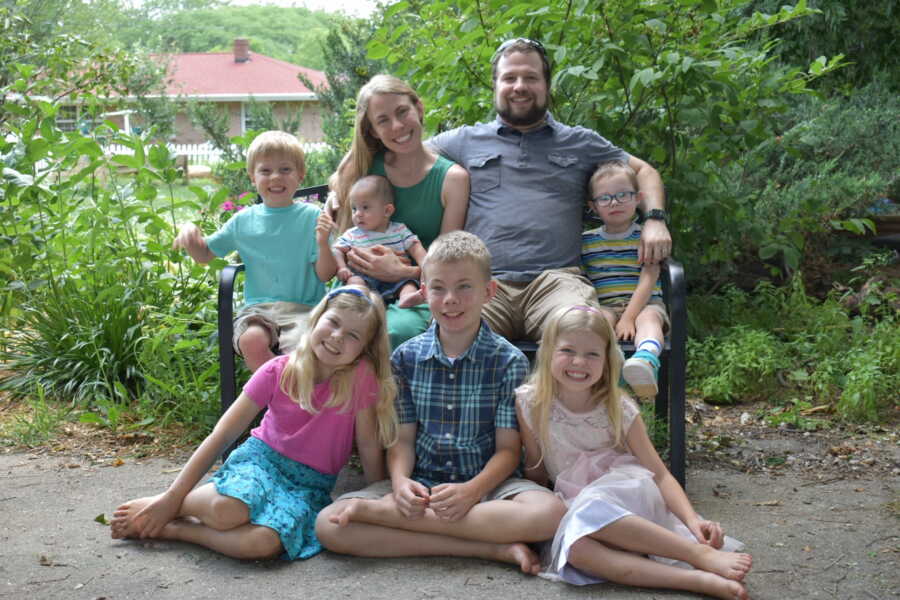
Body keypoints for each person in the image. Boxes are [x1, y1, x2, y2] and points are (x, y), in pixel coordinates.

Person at [315, 231, 566, 573]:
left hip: (486, 486)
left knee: (550, 513)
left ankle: (385, 517)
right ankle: (492, 549)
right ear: (423, 291)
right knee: (329, 524)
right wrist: (401, 482)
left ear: (488, 292)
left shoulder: (509, 361)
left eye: (464, 287)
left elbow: (508, 451)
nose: (450, 299)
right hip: (421, 482)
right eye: (438, 287)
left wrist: (471, 491)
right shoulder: (406, 358)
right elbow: (402, 440)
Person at [109, 286, 398, 561]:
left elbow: (369, 443)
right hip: (260, 463)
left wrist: (374, 496)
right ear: (317, 317)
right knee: (226, 511)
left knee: (263, 544)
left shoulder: (361, 379)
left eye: (353, 336)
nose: (337, 337)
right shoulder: (277, 370)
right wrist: (171, 496)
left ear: (364, 348)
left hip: (308, 486)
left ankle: (173, 527)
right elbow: (222, 434)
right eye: (333, 322)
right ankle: (168, 503)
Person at [429, 38, 672, 342]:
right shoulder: (464, 140)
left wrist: (655, 219)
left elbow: (645, 171)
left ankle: (555, 392)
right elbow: (401, 155)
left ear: (546, 85)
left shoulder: (580, 142)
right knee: (451, 332)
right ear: (495, 85)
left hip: (557, 282)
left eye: (531, 77)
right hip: (483, 282)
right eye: (509, 78)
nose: (520, 86)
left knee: (581, 332)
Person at [516, 305, 752, 599]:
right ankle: (695, 581)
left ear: (607, 360)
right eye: (567, 350)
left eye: (592, 354)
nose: (579, 362)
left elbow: (661, 474)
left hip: (626, 492)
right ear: (549, 350)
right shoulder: (530, 402)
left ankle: (696, 554)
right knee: (575, 549)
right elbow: (536, 469)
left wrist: (692, 521)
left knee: (592, 508)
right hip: (575, 504)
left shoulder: (617, 406)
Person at [173, 130, 337, 372]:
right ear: (252, 177)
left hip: (304, 310)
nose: (275, 177)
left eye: (285, 170)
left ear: (300, 175)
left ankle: (285, 401)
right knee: (251, 340)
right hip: (259, 311)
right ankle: (278, 397)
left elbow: (326, 275)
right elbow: (204, 255)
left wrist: (323, 243)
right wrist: (189, 232)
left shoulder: (313, 217)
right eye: (265, 171)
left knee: (302, 349)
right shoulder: (243, 221)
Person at [326, 74, 469, 347]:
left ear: (419, 108)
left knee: (391, 333)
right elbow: (339, 205)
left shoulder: (452, 179)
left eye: (403, 112)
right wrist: (334, 197)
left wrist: (402, 273)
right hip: (359, 285)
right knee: (335, 333)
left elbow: (446, 262)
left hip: (417, 288)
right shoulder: (362, 169)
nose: (397, 125)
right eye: (383, 120)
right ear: (372, 131)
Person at [582, 160, 670, 397]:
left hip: (644, 303)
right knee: (594, 321)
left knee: (650, 319)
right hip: (606, 305)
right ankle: (611, 371)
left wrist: (629, 317)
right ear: (593, 206)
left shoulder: (646, 237)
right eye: (605, 198)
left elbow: (650, 276)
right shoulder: (586, 242)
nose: (615, 202)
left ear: (638, 198)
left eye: (623, 195)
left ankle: (645, 361)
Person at [332, 175, 427, 308]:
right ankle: (361, 302)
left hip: (397, 277)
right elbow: (337, 249)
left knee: (408, 284)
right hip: (365, 278)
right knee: (354, 280)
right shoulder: (352, 234)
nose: (358, 214)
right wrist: (342, 267)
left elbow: (415, 246)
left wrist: (425, 265)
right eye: (354, 208)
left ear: (387, 210)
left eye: (365, 207)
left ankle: (407, 297)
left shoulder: (398, 229)